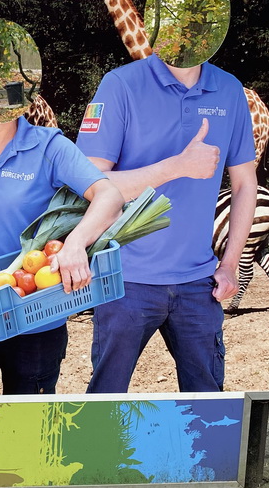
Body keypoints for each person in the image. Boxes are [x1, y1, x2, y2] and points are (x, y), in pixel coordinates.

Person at [76, 52, 258, 393]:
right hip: (123, 280)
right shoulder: (121, 84)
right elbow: (90, 182)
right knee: (105, 399)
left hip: (198, 282)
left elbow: (245, 183)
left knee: (207, 402)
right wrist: (176, 166)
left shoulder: (229, 89)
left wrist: (230, 264)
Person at [0, 109, 124, 396]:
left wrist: (76, 243)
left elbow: (110, 195)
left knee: (29, 437)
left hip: (35, 320)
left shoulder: (49, 146)